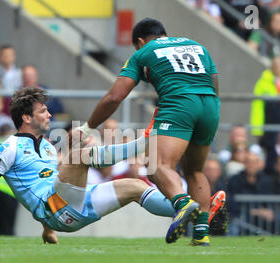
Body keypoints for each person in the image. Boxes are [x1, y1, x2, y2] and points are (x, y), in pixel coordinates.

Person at [0, 87, 199, 245]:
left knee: (134, 186)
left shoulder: (45, 146)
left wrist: (46, 231)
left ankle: (186, 207)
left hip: (74, 209)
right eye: (43, 111)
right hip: (58, 211)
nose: (49, 115)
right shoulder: (8, 148)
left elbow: (47, 181)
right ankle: (146, 140)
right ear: (26, 118)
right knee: (79, 156)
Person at [72, 18, 220, 246]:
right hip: (210, 106)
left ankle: (182, 203)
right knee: (195, 171)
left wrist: (87, 127)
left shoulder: (144, 52)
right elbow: (214, 83)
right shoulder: (197, 46)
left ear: (140, 41)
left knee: (157, 166)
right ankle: (201, 234)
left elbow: (115, 96)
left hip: (178, 104)